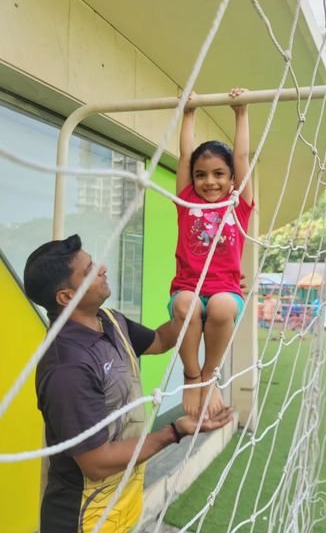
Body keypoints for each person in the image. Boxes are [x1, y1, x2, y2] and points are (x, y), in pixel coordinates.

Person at [23, 234, 233, 533]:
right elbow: (97, 463)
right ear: (66, 297)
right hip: (84, 521)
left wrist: (202, 305)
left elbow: (160, 340)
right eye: (89, 270)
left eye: (94, 261)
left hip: (122, 508)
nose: (103, 267)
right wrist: (174, 431)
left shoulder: (108, 319)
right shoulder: (67, 366)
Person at [169, 88, 254, 420]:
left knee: (220, 306)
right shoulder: (186, 201)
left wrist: (241, 112)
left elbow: (243, 159)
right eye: (201, 175)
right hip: (188, 288)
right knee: (186, 305)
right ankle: (192, 375)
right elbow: (185, 155)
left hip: (227, 291)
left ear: (232, 179)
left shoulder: (239, 205)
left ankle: (210, 374)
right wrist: (188, 113)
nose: (209, 181)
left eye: (219, 174)